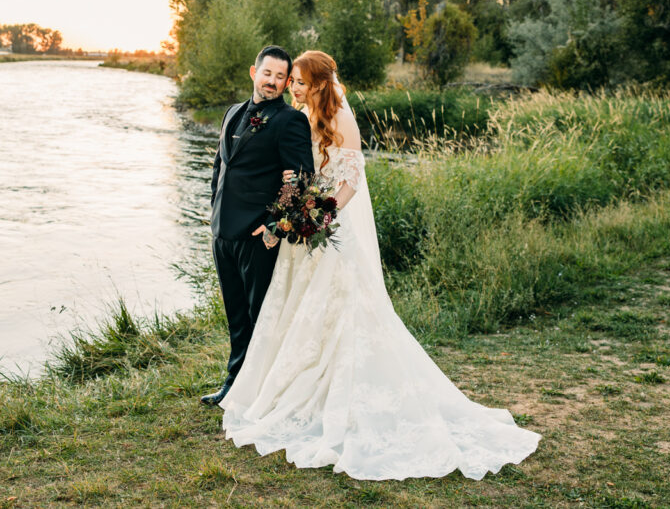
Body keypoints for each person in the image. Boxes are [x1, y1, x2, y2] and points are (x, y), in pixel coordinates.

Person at [219, 50, 541, 480]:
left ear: (318, 82)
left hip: (331, 229)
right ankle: (289, 388)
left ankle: (342, 398)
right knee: (301, 313)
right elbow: (295, 175)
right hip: (305, 230)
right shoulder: (299, 115)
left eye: (297, 80)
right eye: (286, 79)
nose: (291, 86)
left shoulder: (339, 119)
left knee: (344, 314)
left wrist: (320, 216)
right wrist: (294, 216)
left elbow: (351, 178)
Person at [201, 45, 315, 406]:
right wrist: (213, 207)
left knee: (259, 316)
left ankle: (260, 391)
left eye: (281, 77)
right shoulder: (232, 112)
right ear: (254, 72)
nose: (274, 82)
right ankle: (234, 385)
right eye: (268, 74)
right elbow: (222, 165)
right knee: (236, 315)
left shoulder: (289, 120)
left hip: (257, 237)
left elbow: (302, 178)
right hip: (222, 232)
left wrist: (274, 224)